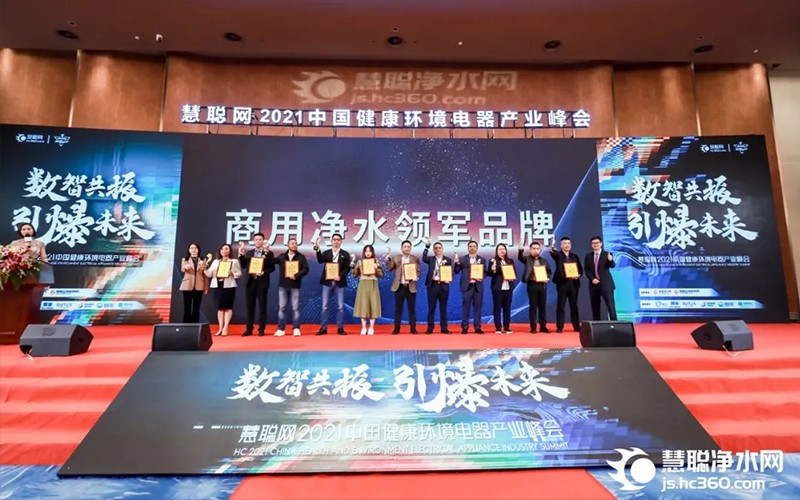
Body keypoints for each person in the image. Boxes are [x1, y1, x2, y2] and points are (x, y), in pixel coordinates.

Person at [237, 232, 275, 336]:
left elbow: (272, 267)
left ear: (263, 241)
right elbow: (244, 265)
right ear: (254, 241)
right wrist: (241, 255)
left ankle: (261, 329)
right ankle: (249, 329)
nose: (258, 241)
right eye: (256, 240)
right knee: (250, 307)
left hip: (262, 283)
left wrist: (263, 272)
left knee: (262, 307)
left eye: (260, 240)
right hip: (250, 282)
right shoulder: (249, 253)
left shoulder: (269, 253)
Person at [314, 233, 351, 336]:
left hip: (340, 282)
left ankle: (340, 328)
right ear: (331, 241)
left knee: (340, 307)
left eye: (338, 240)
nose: (336, 241)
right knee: (325, 306)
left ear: (341, 241)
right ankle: (323, 328)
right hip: (327, 282)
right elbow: (320, 260)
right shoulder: (326, 253)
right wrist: (317, 250)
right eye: (334, 240)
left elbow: (348, 267)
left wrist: (340, 276)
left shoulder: (345, 254)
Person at [273, 238, 309, 337]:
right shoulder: (282, 256)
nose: (294, 245)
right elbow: (272, 261)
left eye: (295, 243)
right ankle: (281, 329)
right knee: (282, 308)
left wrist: (296, 275)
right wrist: (267, 252)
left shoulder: (301, 257)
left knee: (295, 308)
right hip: (283, 286)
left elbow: (306, 269)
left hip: (295, 285)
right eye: (292, 243)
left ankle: (296, 328)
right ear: (288, 245)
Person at [204, 243, 242, 336]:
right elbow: (209, 274)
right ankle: (220, 328)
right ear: (220, 251)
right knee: (220, 308)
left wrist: (232, 274)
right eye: (222, 249)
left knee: (228, 307)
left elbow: (239, 273)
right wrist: (204, 268)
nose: (224, 251)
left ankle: (225, 328)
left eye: (226, 249)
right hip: (217, 285)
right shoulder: (215, 261)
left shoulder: (234, 261)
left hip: (229, 286)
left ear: (230, 251)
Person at [549, 236, 583, 333]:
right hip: (562, 284)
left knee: (574, 306)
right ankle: (560, 327)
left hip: (573, 284)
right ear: (561, 245)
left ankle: (576, 326)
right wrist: (552, 247)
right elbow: (553, 253)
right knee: (561, 305)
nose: (567, 245)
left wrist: (578, 275)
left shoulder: (574, 256)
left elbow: (580, 269)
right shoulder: (558, 255)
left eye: (568, 243)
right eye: (564, 243)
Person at [386, 240, 420, 334]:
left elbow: (418, 271)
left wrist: (416, 276)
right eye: (405, 247)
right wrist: (389, 260)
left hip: (410, 287)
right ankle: (396, 329)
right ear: (401, 248)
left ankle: (413, 329)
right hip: (399, 286)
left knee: (412, 309)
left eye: (408, 247)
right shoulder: (397, 258)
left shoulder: (414, 259)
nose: (407, 248)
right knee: (398, 309)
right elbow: (389, 268)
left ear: (411, 248)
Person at [453, 240, 486, 334]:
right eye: (470, 246)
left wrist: (481, 277)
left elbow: (485, 272)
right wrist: (456, 263)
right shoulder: (462, 259)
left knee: (478, 308)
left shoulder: (482, 259)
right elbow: (456, 271)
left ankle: (477, 327)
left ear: (477, 248)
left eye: (474, 246)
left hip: (478, 287)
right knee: (465, 307)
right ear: (468, 248)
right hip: (466, 286)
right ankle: (464, 327)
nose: (472, 248)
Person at [519, 241, 552, 333]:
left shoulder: (544, 261)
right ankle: (533, 327)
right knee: (533, 307)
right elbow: (520, 258)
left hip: (542, 285)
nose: (536, 250)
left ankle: (543, 326)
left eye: (537, 249)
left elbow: (549, 271)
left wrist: (547, 277)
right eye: (533, 249)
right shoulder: (527, 259)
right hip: (532, 284)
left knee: (542, 306)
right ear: (530, 250)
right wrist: (520, 250)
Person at [421, 238, 453, 334]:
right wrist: (427, 247)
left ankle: (444, 328)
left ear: (442, 249)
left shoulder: (448, 259)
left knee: (443, 308)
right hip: (433, 285)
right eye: (435, 248)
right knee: (431, 307)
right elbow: (423, 258)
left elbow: (450, 272)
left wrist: (449, 279)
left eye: (439, 248)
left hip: (443, 286)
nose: (438, 249)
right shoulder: (430, 259)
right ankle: (430, 328)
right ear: (433, 250)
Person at [351, 244, 384, 335]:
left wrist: (376, 268)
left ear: (372, 252)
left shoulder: (377, 262)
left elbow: (381, 275)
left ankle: (371, 327)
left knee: (373, 305)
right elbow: (354, 274)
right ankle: (364, 327)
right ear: (364, 253)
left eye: (370, 251)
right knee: (363, 305)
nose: (368, 253)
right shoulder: (360, 262)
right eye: (366, 251)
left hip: (373, 284)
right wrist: (353, 266)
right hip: (363, 285)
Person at [584, 236, 617, 321]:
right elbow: (587, 270)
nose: (595, 245)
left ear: (601, 244)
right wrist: (592, 279)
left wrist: (610, 260)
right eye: (593, 243)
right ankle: (596, 325)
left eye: (597, 243)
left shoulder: (607, 254)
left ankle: (615, 324)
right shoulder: (588, 256)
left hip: (606, 284)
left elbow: (612, 266)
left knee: (610, 306)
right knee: (595, 307)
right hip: (594, 285)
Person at [488, 243, 517, 334]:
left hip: (508, 287)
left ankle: (507, 327)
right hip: (498, 287)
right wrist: (493, 269)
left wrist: (512, 277)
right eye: (500, 249)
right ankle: (498, 327)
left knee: (507, 308)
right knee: (497, 308)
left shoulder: (510, 261)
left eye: (503, 249)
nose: (502, 251)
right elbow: (490, 274)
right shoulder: (493, 260)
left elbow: (514, 272)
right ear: (497, 251)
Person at [179, 242, 209, 323]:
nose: (193, 250)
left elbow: (205, 275)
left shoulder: (203, 260)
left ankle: (195, 324)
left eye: (195, 248)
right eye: (191, 248)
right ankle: (186, 324)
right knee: (187, 307)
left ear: (198, 250)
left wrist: (206, 287)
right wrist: (186, 267)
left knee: (196, 307)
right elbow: (182, 269)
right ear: (189, 250)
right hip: (187, 286)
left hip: (199, 286)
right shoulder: (185, 259)